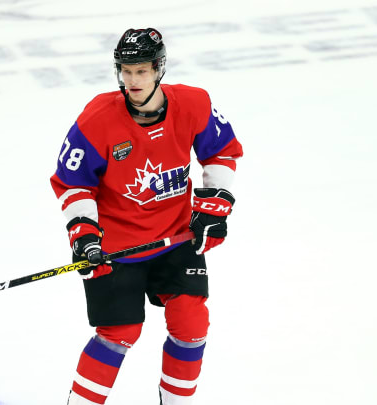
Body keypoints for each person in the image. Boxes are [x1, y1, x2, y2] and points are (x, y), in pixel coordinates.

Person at [50, 27, 244, 404]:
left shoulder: (194, 104)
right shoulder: (97, 119)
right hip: (117, 245)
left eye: (141, 70)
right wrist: (85, 236)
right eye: (126, 70)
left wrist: (214, 206)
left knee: (191, 324)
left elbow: (221, 151)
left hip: (175, 235)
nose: (133, 80)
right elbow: (72, 183)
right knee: (119, 331)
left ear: (159, 69)